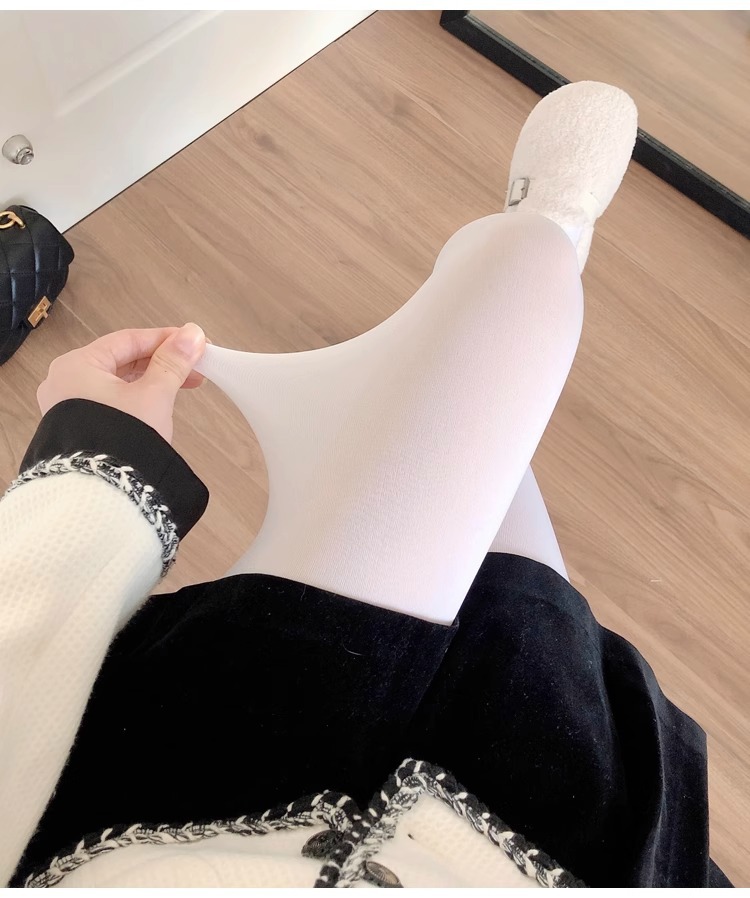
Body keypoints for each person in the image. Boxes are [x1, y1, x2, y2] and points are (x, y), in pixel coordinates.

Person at [0, 82, 731, 888]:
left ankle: (503, 296)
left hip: (171, 781)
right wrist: (89, 454)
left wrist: (97, 458)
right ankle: (543, 236)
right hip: (549, 836)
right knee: (519, 294)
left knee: (491, 350)